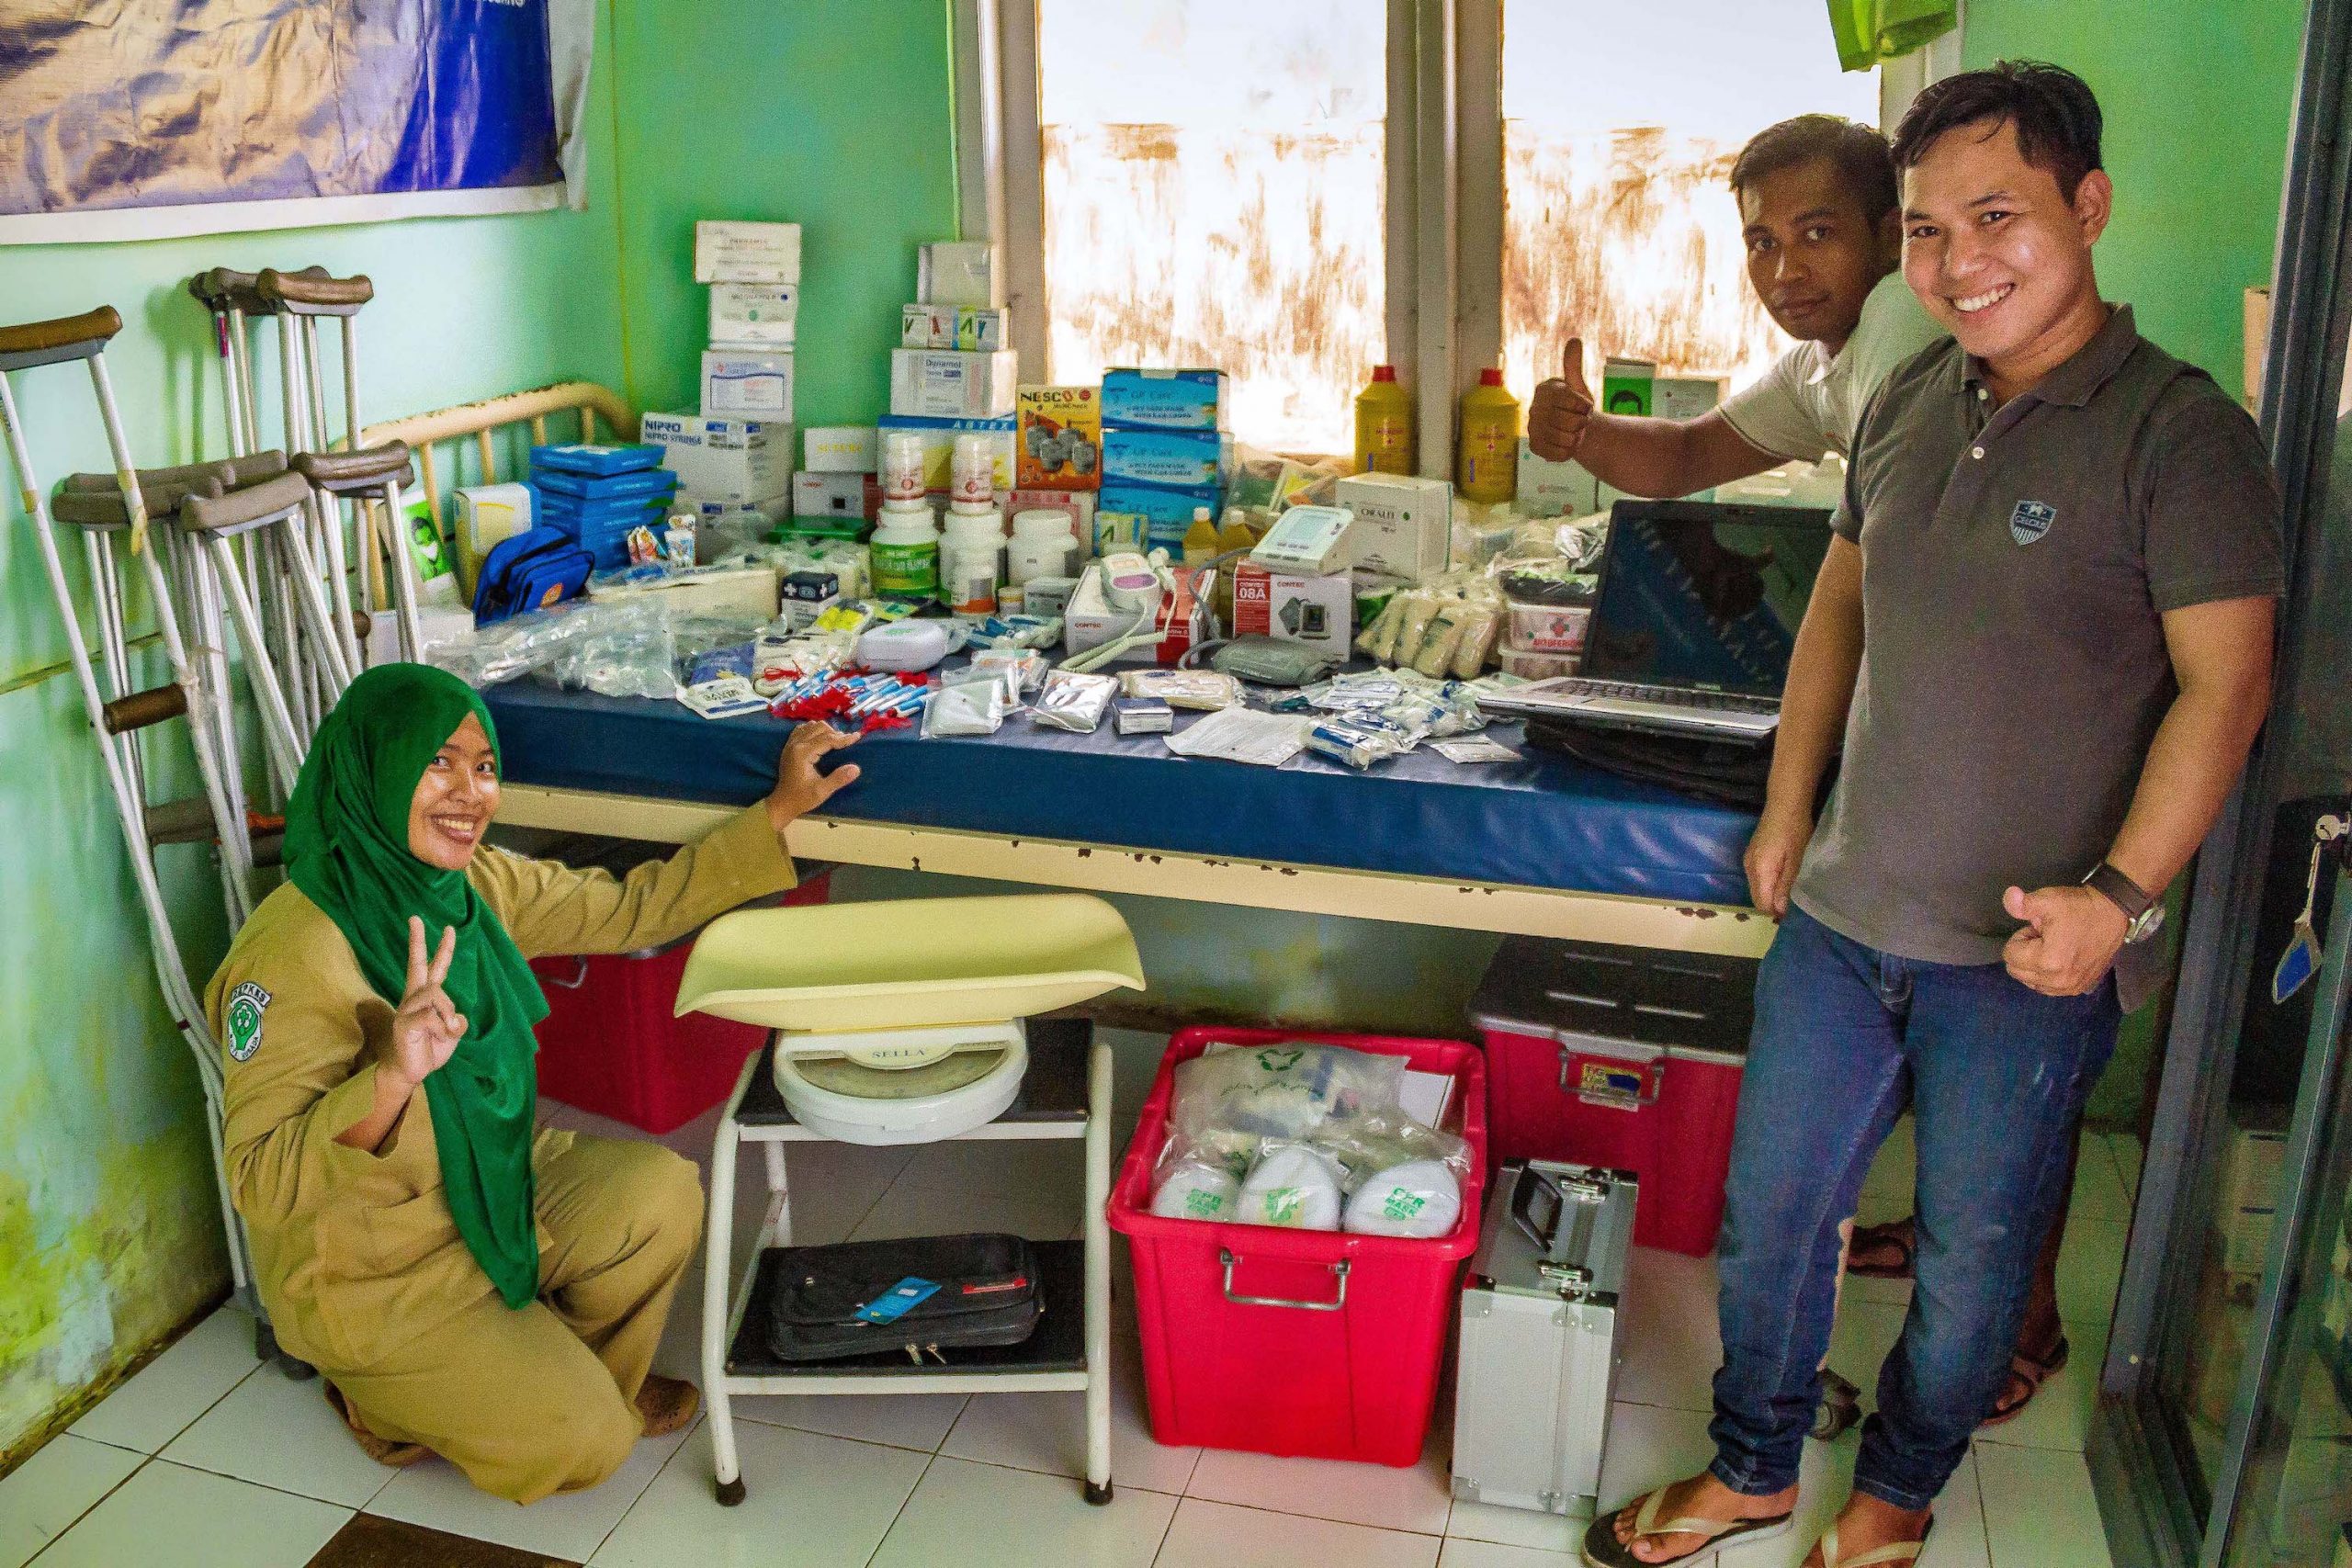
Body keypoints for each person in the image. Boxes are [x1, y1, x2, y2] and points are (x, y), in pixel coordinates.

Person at [1587, 61, 2281, 1568]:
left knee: (1973, 1267)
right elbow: (1840, 605)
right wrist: (1789, 807)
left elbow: (2224, 691)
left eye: (1997, 215)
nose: (1957, 262)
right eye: (1923, 229)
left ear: (2087, 209)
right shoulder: (1907, 393)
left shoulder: (2183, 437)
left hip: (2023, 957)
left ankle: (1896, 1496)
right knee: (1769, 1221)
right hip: (1846, 918)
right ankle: (1755, 1468)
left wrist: (2118, 895)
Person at [205, 663, 861, 1504]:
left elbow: (629, 908)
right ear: (375, 765)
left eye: (484, 767)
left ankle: (551, 1371)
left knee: (662, 1193)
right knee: (587, 1443)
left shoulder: (471, 887)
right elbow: (259, 1180)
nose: (471, 791)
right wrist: (393, 1074)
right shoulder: (291, 952)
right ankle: (388, 1404)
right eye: (438, 761)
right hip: (369, 1271)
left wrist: (777, 812)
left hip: (484, 1185)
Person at [1527, 113, 1944, 493]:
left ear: (1891, 237)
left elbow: (1886, 529)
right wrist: (1582, 430)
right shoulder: (1818, 366)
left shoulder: (1900, 310)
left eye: (1818, 234)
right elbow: (1685, 457)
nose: (1785, 272)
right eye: (1763, 243)